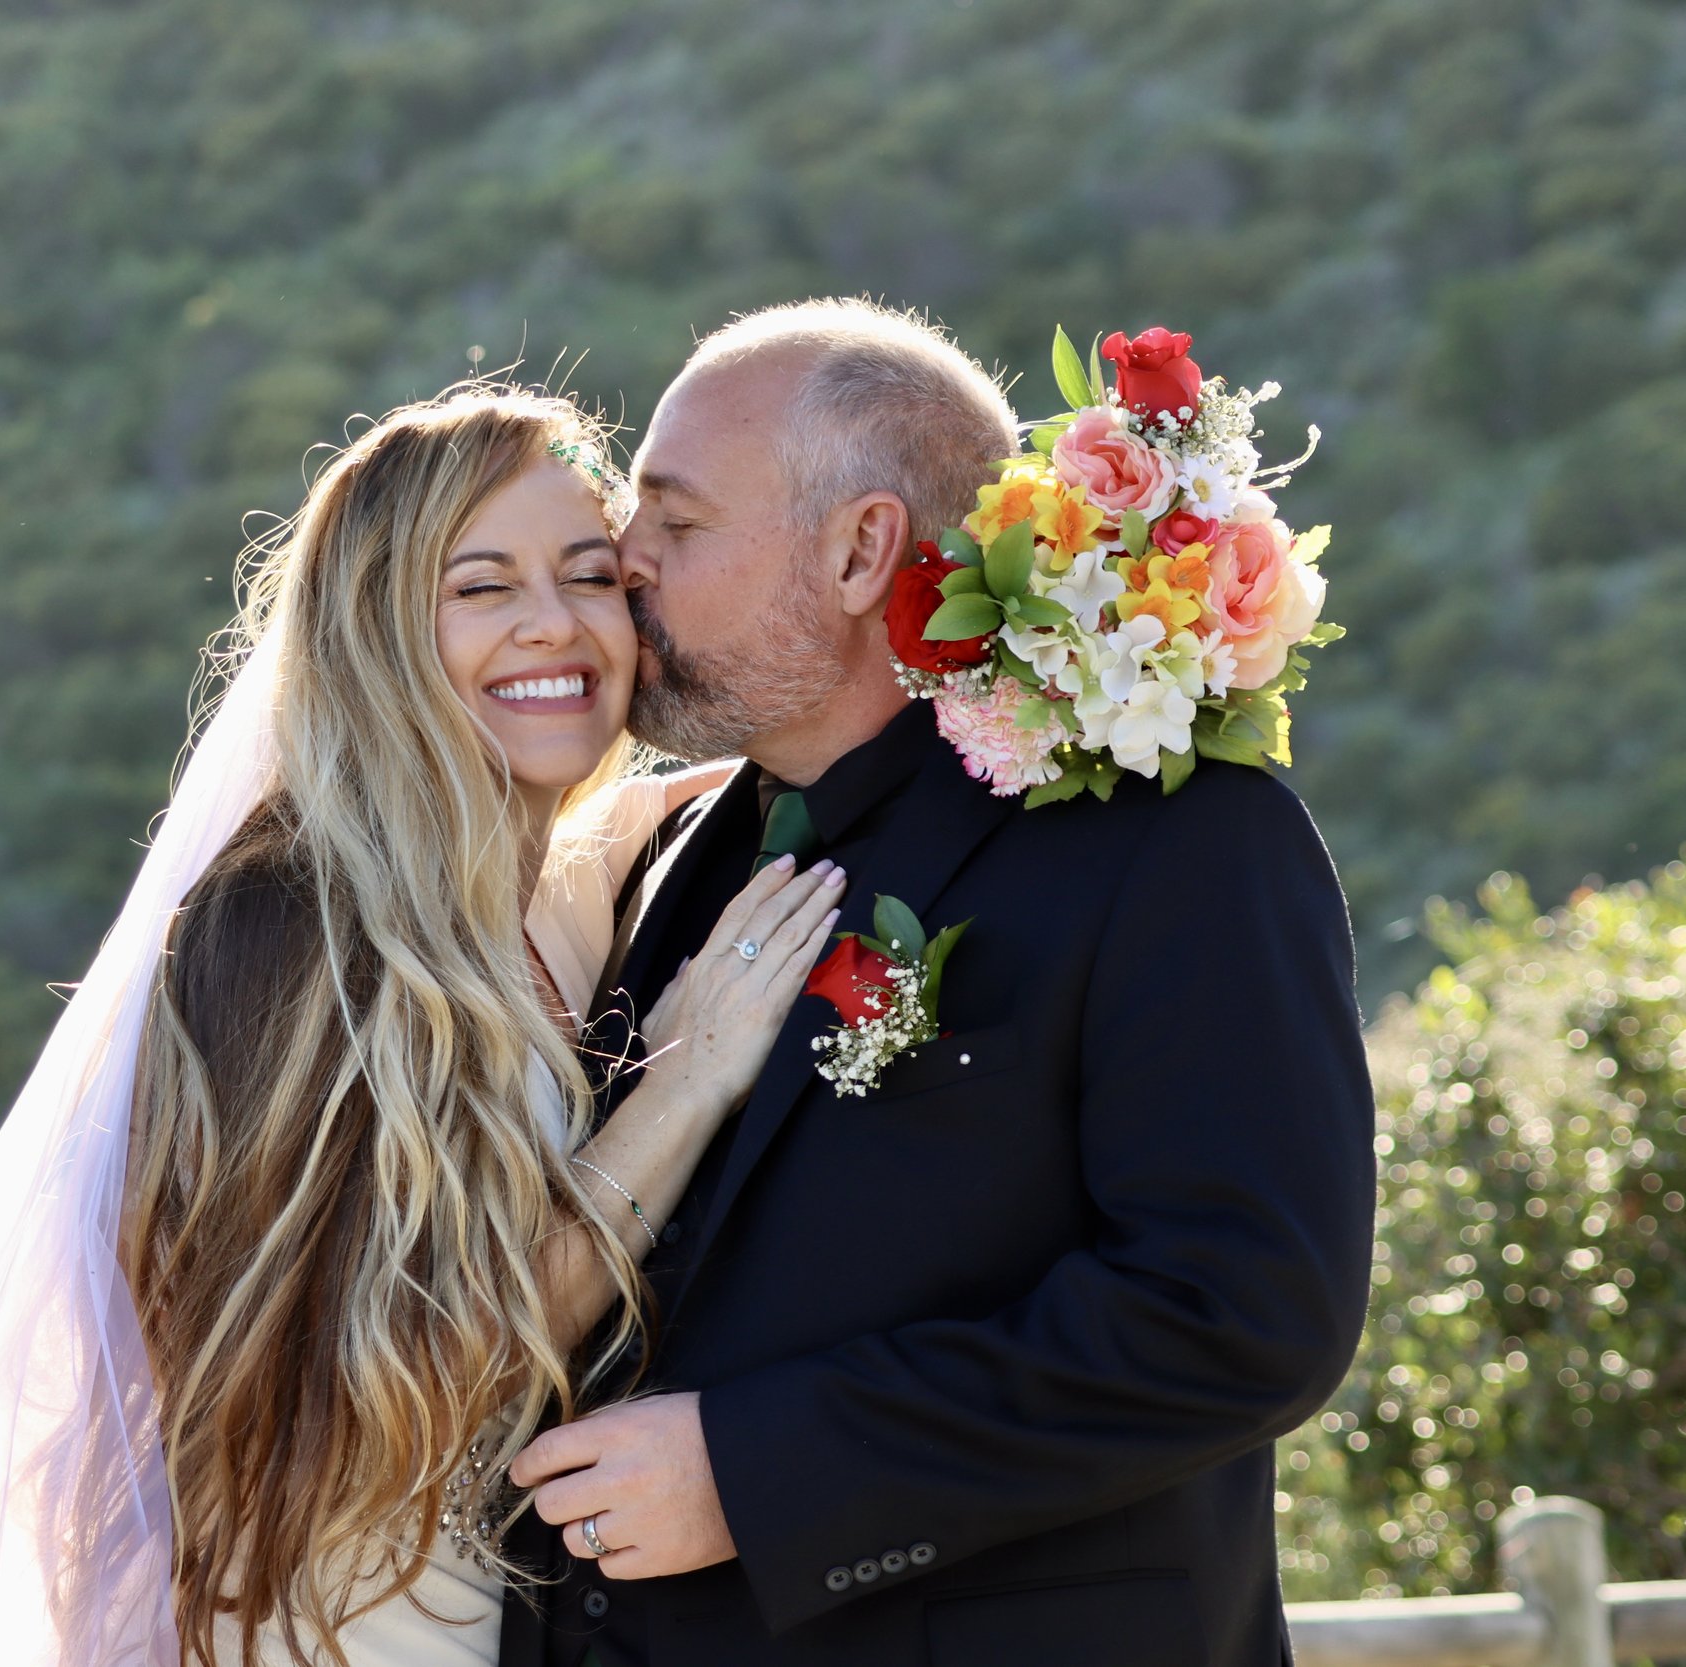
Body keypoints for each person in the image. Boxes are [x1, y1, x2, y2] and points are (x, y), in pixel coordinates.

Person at [0, 386, 846, 1667]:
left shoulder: (557, 880)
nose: (553, 625)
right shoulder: (289, 924)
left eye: (586, 574)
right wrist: (685, 1081)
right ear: (379, 629)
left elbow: (787, 739)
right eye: (481, 587)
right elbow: (414, 1373)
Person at [499, 299, 1379, 1667]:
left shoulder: (1172, 839)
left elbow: (1240, 1309)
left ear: (860, 550)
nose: (624, 563)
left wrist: (762, 1470)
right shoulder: (670, 848)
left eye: (674, 521)